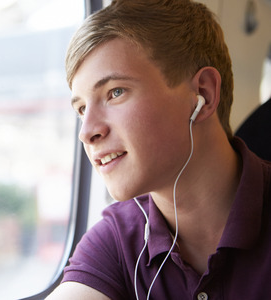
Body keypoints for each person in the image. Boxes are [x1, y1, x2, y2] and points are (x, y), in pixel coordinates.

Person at [46, 0, 271, 299]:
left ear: (202, 93)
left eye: (115, 92)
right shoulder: (116, 241)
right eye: (82, 109)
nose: (87, 133)